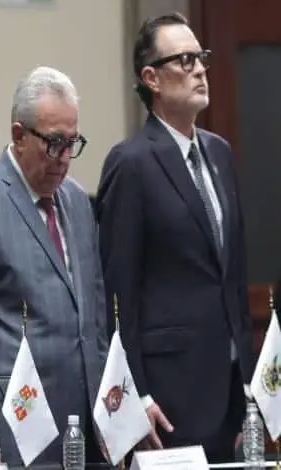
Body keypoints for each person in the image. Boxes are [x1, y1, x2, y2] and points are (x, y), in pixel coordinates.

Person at [96, 12, 255, 463]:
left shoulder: (220, 154)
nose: (200, 69)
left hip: (232, 390)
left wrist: (251, 380)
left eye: (201, 58)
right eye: (185, 60)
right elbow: (118, 293)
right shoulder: (131, 163)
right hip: (167, 397)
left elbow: (232, 275)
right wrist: (136, 394)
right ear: (152, 78)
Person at [0, 66, 108, 466]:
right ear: (19, 135)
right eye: (54, 143)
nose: (64, 158)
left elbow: (94, 321)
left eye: (73, 142)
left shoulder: (78, 203)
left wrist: (112, 418)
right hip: (14, 431)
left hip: (84, 428)